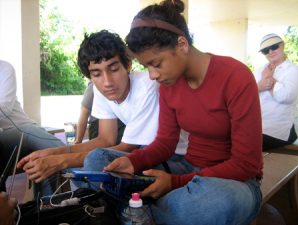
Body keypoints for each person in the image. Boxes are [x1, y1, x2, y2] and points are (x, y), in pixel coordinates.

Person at [84, 1, 263, 225]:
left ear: (181, 44)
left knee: (211, 203)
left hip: (232, 182)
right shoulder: (169, 84)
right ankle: (144, 213)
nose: (152, 75)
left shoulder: (236, 76)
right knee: (97, 159)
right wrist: (133, 162)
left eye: (156, 64)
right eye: (147, 66)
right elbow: (164, 144)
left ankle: (134, 212)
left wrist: (176, 183)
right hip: (186, 167)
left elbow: (247, 164)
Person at [17, 30, 187, 184]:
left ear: (127, 65)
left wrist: (61, 160)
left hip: (174, 157)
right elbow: (106, 139)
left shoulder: (147, 88)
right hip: (142, 153)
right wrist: (54, 152)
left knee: (94, 161)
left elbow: (129, 147)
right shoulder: (101, 91)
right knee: (81, 168)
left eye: (113, 69)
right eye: (97, 74)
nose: (107, 82)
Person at [0, 60, 64, 196]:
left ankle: (48, 205)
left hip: (18, 129)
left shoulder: (4, 68)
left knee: (38, 142)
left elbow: (4, 107)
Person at [254, 33, 298, 150]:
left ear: (283, 45)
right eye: (265, 50)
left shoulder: (294, 70)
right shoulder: (260, 71)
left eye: (274, 47)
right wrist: (258, 87)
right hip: (257, 126)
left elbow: (286, 97)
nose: (270, 52)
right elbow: (244, 96)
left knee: (242, 145)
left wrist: (270, 80)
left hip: (280, 130)